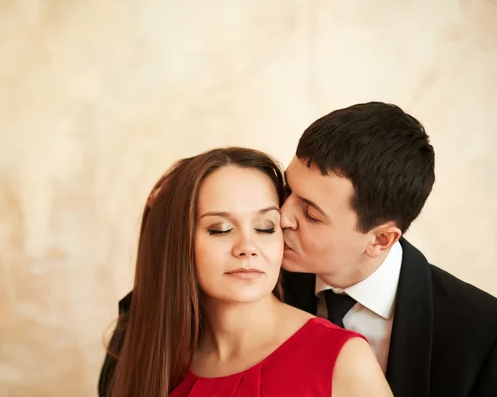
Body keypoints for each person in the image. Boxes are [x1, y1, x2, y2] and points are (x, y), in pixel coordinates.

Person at [100, 102, 497, 396]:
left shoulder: (480, 335)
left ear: (379, 239)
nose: (282, 218)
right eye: (288, 191)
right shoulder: (253, 270)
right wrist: (169, 218)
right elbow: (163, 304)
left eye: (310, 212)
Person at [101, 147, 393, 396]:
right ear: (177, 242)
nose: (247, 247)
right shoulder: (141, 350)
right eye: (221, 229)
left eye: (266, 227)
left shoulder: (343, 359)